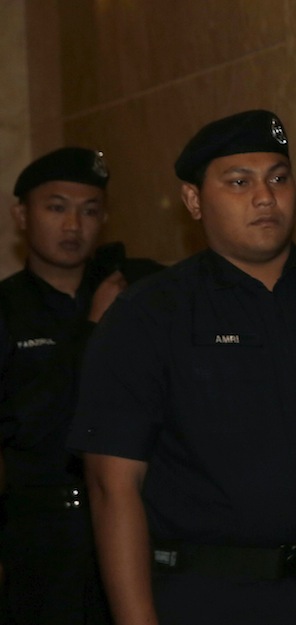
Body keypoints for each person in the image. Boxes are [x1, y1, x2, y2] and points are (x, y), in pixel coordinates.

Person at [67, 110, 296, 625]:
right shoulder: (149, 316)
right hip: (210, 596)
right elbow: (112, 486)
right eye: (239, 182)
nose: (265, 197)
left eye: (278, 178)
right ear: (194, 200)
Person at [0, 147, 162, 624]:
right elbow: (27, 423)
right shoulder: (8, 309)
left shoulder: (139, 289)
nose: (73, 225)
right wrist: (92, 333)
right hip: (44, 534)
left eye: (89, 210)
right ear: (21, 215)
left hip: (141, 519)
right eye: (56, 207)